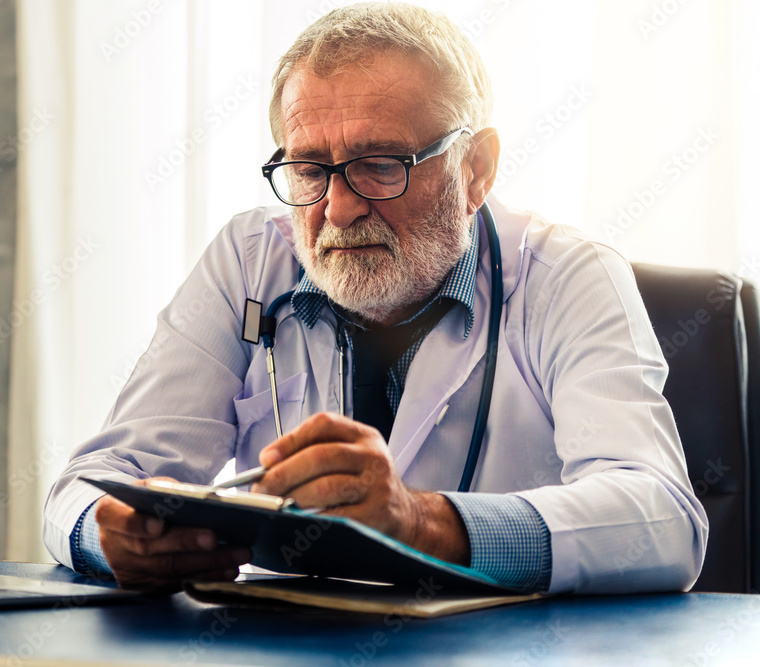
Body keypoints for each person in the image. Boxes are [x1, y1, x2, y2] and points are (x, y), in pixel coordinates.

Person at [43, 2, 707, 594]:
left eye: (381, 164)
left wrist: (420, 521)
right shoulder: (250, 259)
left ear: (475, 169)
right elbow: (91, 480)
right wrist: (108, 535)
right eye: (309, 168)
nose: (337, 207)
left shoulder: (571, 276)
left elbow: (665, 520)